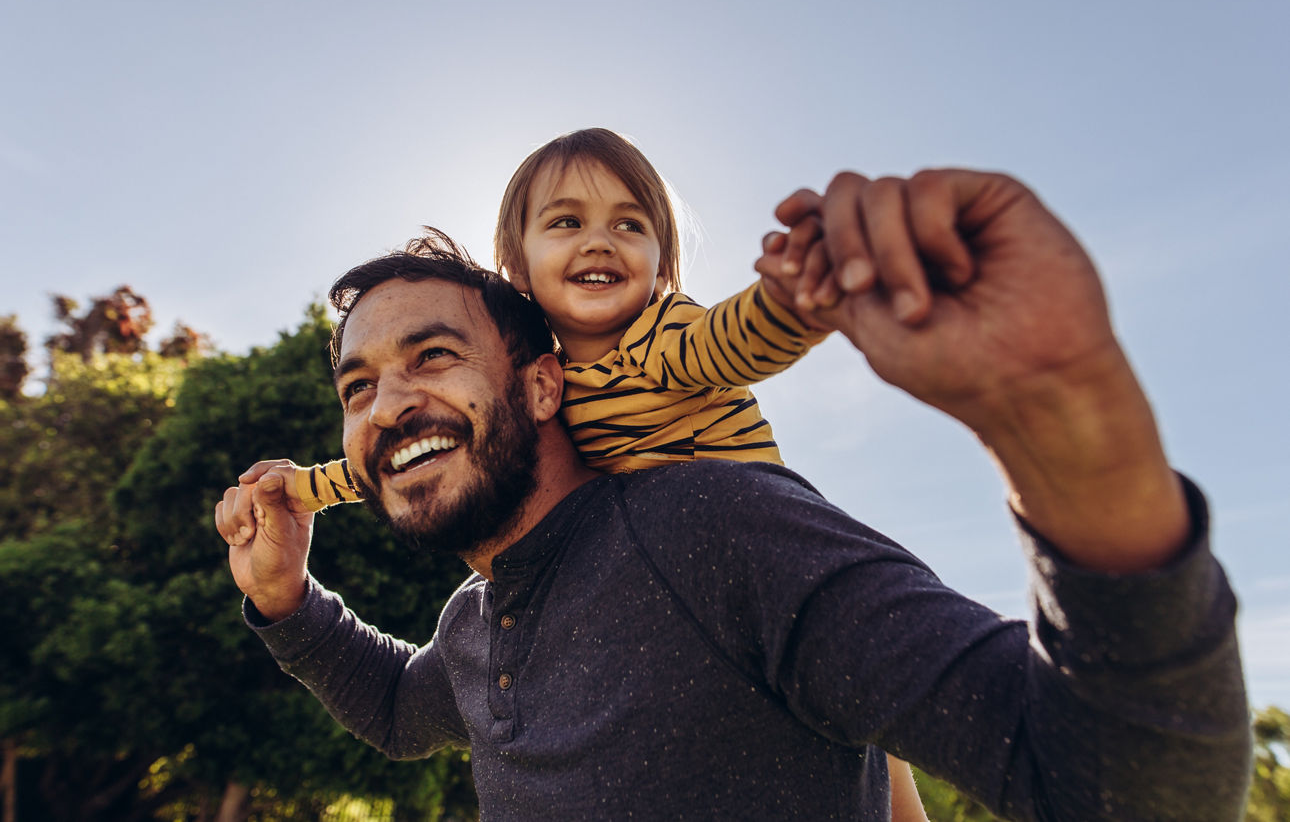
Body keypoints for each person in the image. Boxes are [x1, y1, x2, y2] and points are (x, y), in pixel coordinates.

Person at [216, 167, 1252, 820]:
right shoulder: (478, 621)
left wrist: (1071, 423)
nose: (388, 404)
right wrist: (285, 598)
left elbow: (1126, 784)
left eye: (432, 355)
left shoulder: (712, 525)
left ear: (542, 382)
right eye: (358, 386)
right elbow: (400, 709)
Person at [290, 128, 829, 512]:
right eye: (567, 222)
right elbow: (417, 447)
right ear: (517, 265)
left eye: (630, 225)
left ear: (662, 267)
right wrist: (301, 490)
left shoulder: (664, 331)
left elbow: (732, 342)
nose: (599, 241)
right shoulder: (544, 385)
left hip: (767, 531)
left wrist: (792, 301)